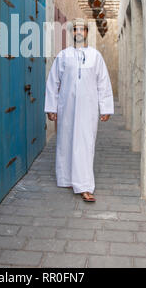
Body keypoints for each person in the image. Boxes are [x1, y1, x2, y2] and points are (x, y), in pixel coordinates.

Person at [44, 18, 114, 202]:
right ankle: (66, 178)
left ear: (87, 33)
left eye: (82, 29)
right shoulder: (63, 56)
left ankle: (84, 186)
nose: (79, 33)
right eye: (75, 29)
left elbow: (103, 83)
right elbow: (53, 83)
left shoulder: (95, 56)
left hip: (88, 110)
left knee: (85, 143)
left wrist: (105, 108)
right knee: (65, 141)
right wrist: (52, 107)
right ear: (71, 33)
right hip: (66, 107)